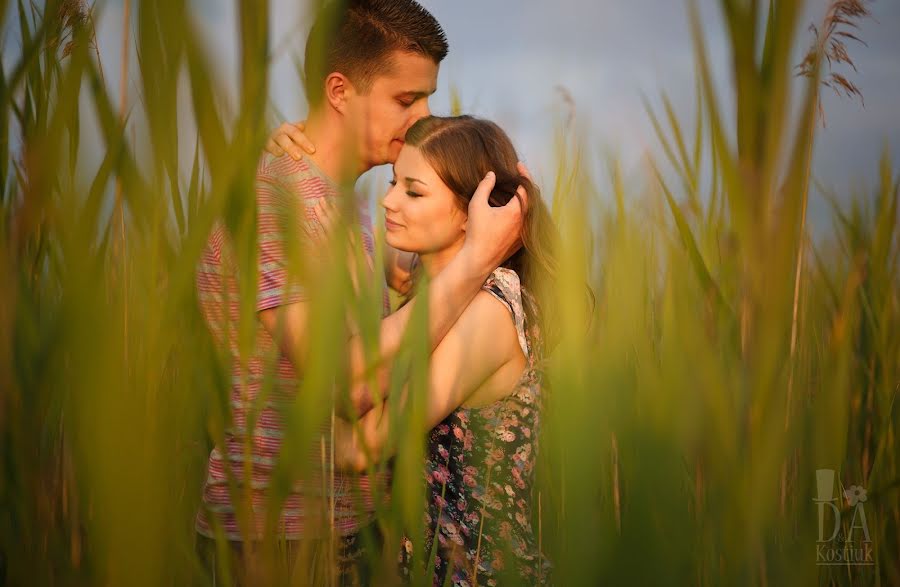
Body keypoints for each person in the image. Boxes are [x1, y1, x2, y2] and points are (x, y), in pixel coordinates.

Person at [194, 0, 527, 584]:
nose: (424, 116)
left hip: (343, 529)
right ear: (340, 91)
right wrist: (475, 262)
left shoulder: (344, 205)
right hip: (284, 538)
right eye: (406, 99)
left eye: (427, 96)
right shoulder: (278, 202)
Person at [328, 115, 557, 586]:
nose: (388, 200)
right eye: (393, 182)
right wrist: (293, 149)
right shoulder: (432, 287)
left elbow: (359, 448)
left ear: (471, 213)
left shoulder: (492, 312)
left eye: (413, 191)